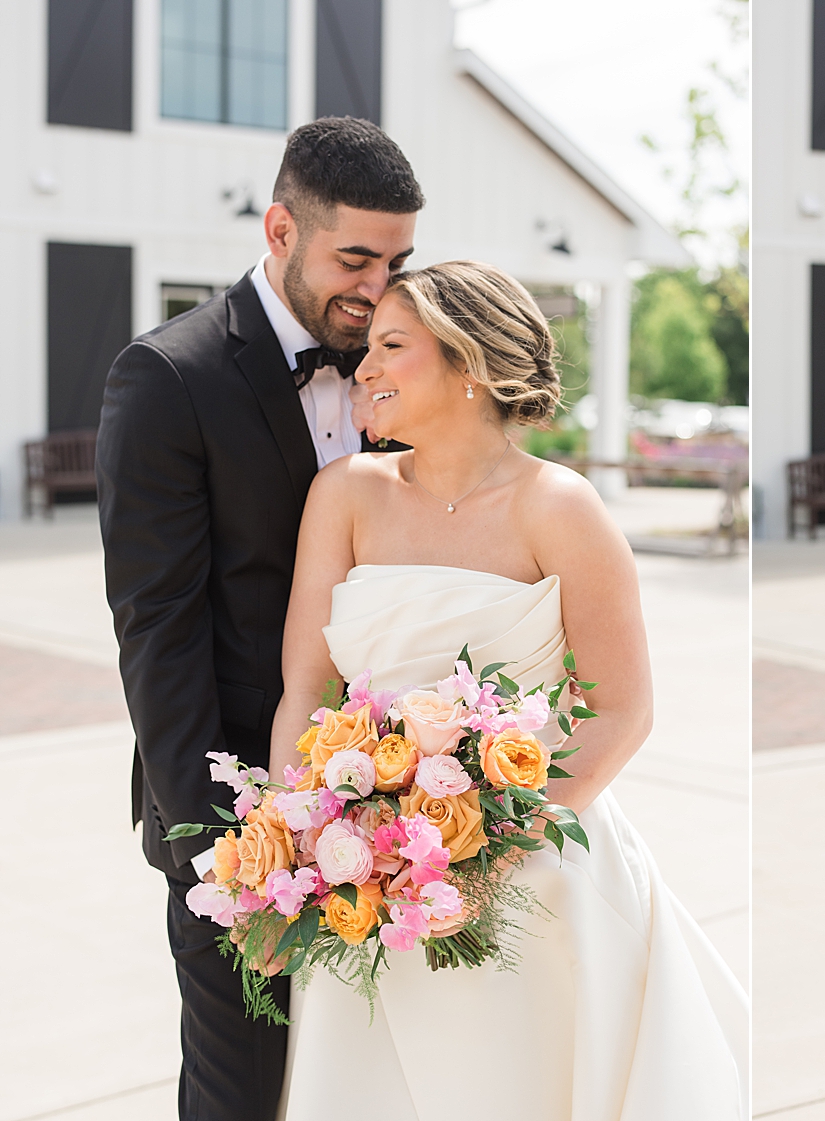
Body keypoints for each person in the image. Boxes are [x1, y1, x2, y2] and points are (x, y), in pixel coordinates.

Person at [268, 260, 748, 1119]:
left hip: (533, 871)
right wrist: (296, 846)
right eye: (365, 347)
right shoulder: (342, 494)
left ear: (469, 366)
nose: (362, 367)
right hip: (363, 874)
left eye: (390, 346)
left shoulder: (560, 508)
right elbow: (307, 684)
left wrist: (485, 854)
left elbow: (623, 709)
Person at [97, 117, 424, 1121]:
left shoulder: (409, 365)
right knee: (243, 1087)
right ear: (281, 229)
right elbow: (159, 626)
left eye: (399, 261)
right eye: (355, 259)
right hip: (237, 808)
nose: (377, 290)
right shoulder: (169, 377)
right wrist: (219, 845)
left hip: (399, 807)